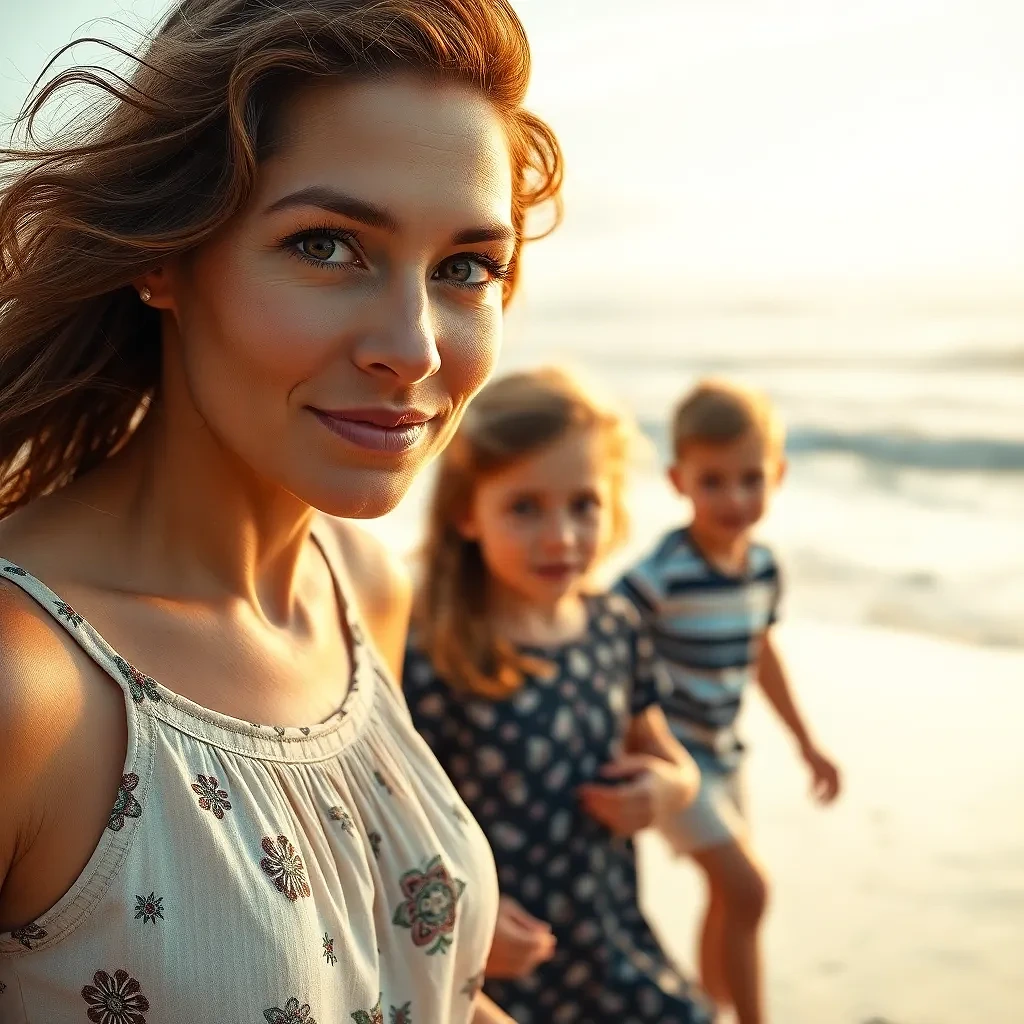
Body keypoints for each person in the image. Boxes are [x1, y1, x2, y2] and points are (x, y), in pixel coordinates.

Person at [0, 2, 562, 1021]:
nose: (416, 347)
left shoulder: (360, 586)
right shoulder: (26, 690)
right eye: (327, 245)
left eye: (465, 267)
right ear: (162, 256)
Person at [403, 367, 716, 1024]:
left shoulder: (615, 626)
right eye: (524, 507)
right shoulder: (435, 652)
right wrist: (466, 921)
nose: (562, 537)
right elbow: (397, 832)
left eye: (584, 504)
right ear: (467, 511)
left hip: (611, 939)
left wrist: (665, 792)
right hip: (500, 963)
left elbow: (671, 761)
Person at [618, 379, 842, 1024]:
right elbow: (601, 646)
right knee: (749, 890)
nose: (735, 498)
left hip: (726, 757)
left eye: (751, 479)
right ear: (677, 480)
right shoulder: (659, 577)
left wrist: (806, 743)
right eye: (713, 480)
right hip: (672, 762)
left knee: (727, 898)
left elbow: (762, 655)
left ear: (779, 474)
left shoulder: (764, 568)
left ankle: (708, 1009)